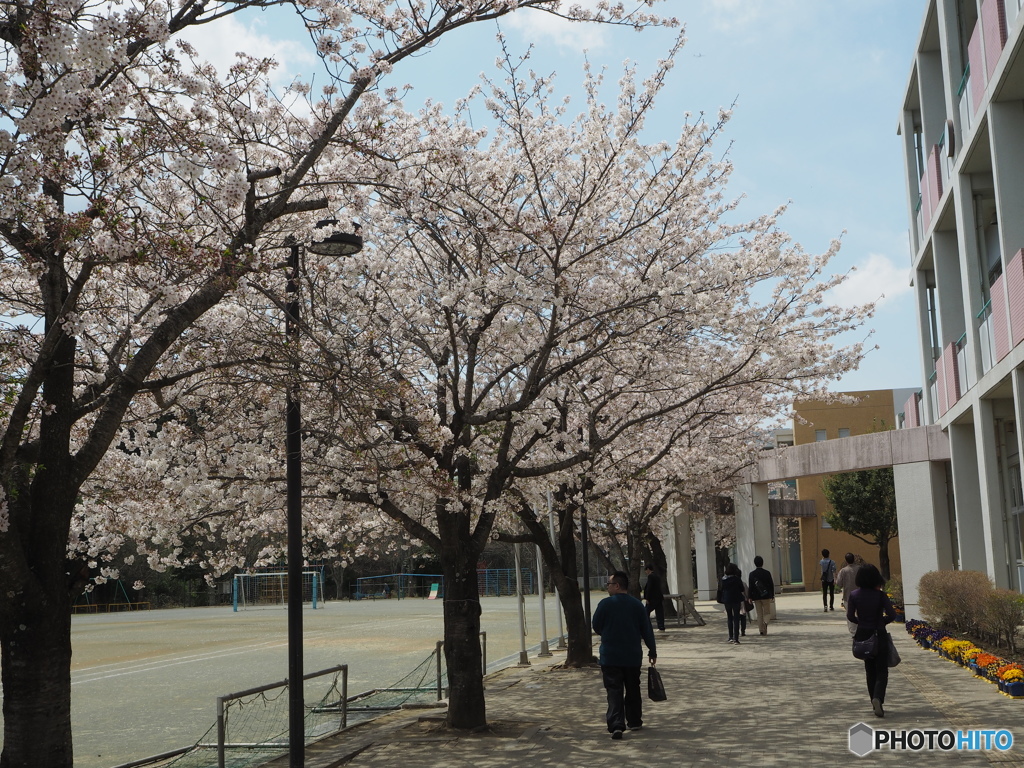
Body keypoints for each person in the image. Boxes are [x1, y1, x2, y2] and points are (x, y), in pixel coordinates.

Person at [592, 571, 657, 740]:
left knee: (614, 690)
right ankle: (634, 721)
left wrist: (607, 632)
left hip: (610, 656)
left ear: (617, 585)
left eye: (609, 584)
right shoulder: (637, 605)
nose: (607, 587)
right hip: (632, 655)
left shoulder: (605, 604)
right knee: (633, 688)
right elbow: (647, 630)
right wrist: (652, 650)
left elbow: (596, 626)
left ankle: (616, 724)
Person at [847, 563, 897, 718]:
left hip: (863, 634)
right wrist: (882, 622)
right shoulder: (880, 596)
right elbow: (892, 614)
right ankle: (878, 698)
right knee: (882, 669)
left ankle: (873, 701)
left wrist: (860, 622)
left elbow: (850, 616)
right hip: (878, 633)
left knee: (869, 669)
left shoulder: (854, 595)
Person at [747, 555, 776, 636]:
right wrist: (772, 595)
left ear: (755, 563)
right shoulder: (767, 573)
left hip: (756, 597)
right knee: (767, 612)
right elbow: (771, 585)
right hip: (766, 596)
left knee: (759, 614)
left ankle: (761, 630)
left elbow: (751, 586)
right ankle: (765, 622)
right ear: (762, 563)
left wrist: (749, 596)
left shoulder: (752, 574)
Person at [719, 563, 746, 644]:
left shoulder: (723, 580)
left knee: (729, 617)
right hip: (736, 600)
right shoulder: (737, 579)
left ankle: (730, 637)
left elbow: (721, 589)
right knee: (736, 618)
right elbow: (742, 589)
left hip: (727, 600)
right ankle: (736, 638)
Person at [643, 564, 667, 632]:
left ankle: (646, 626)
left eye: (646, 570)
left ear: (648, 569)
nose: (646, 572)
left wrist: (647, 598)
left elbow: (649, 588)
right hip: (658, 597)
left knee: (646, 612)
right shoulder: (657, 576)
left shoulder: (650, 576)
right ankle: (661, 627)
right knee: (659, 612)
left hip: (652, 599)